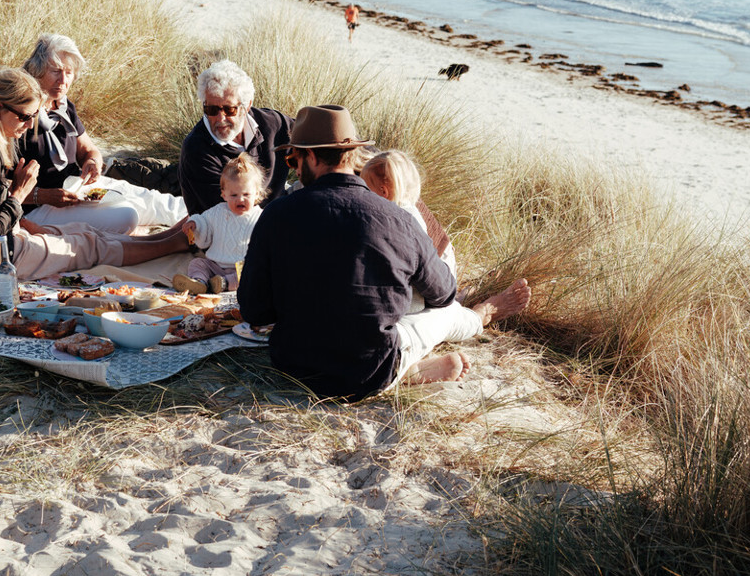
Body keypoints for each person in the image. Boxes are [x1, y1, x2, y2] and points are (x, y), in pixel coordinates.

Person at [239, 105, 531, 400]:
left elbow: (254, 310)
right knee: (445, 313)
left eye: (293, 159)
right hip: (370, 373)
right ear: (350, 154)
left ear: (311, 156)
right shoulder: (397, 217)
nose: (295, 169)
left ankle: (419, 364)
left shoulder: (276, 214)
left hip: (294, 368)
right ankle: (480, 316)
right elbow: (443, 293)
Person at [0, 66, 191, 280]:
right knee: (87, 247)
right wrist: (20, 193)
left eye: (34, 116)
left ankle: (164, 237)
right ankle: (174, 244)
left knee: (82, 232)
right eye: (24, 116)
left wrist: (29, 225)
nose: (29, 125)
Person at [16, 33, 141, 236]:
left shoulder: (63, 105)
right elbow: (0, 189)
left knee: (147, 201)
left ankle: (200, 219)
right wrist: (44, 196)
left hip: (74, 189)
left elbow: (89, 150)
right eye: (55, 71)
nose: (63, 80)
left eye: (69, 72)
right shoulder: (21, 114)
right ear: (36, 71)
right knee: (128, 217)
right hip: (36, 208)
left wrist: (92, 163)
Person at [178, 60, 292, 214]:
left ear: (247, 106)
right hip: (226, 231)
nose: (220, 118)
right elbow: (232, 214)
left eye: (229, 109)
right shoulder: (197, 149)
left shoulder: (272, 124)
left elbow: (315, 137)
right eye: (211, 109)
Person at [173, 152, 265, 295]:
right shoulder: (218, 211)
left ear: (257, 194)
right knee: (197, 263)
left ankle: (224, 284)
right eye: (234, 195)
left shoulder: (260, 217)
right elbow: (204, 221)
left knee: (253, 273)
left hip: (241, 267)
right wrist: (194, 224)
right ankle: (199, 282)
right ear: (224, 194)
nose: (240, 199)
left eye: (246, 195)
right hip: (215, 265)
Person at [360, 149, 456, 278]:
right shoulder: (411, 213)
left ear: (384, 192)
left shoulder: (399, 222)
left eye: (367, 190)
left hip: (422, 287)